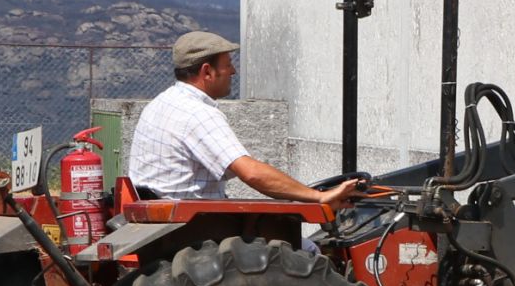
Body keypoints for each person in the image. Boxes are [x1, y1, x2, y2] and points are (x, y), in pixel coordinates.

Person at [127, 30, 365, 205]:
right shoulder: (197, 114)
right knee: (306, 249)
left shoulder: (160, 104)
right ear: (207, 71)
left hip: (163, 216)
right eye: (228, 65)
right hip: (193, 225)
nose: (233, 71)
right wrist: (318, 196)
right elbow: (252, 173)